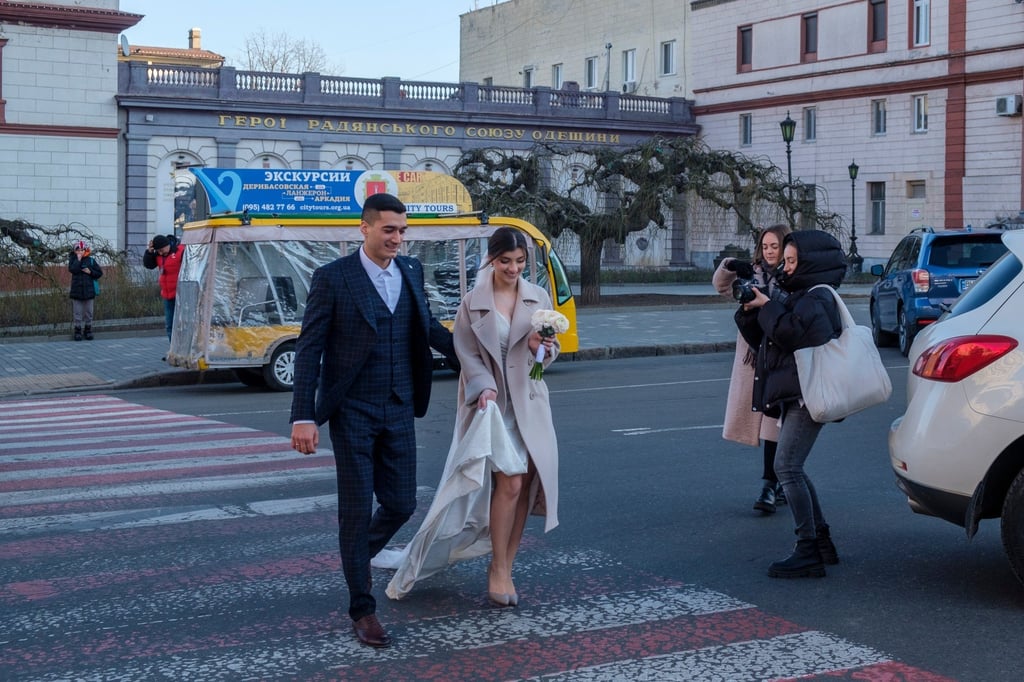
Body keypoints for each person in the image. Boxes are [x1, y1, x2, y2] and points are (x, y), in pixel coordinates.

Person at [288, 192, 458, 649]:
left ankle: (354, 559)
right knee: (356, 508)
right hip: (353, 411)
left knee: (402, 503)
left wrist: (482, 358)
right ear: (364, 229)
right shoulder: (333, 279)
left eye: (403, 231)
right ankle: (362, 608)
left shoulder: (411, 271)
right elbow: (309, 350)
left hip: (400, 404)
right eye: (389, 230)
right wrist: (304, 415)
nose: (398, 239)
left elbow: (428, 329)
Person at [379, 226, 560, 606]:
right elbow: (465, 353)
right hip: (490, 407)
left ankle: (506, 566)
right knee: (508, 483)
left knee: (524, 488)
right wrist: (483, 387)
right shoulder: (472, 301)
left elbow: (548, 353)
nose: (513, 269)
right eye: (506, 261)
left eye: (520, 262)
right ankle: (496, 568)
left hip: (529, 402)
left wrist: (539, 347)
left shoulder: (538, 296)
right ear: (492, 259)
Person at [734, 229, 846, 579]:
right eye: (785, 259)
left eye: (793, 260)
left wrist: (768, 305)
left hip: (807, 393)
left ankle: (807, 550)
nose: (786, 265)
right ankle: (821, 542)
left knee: (787, 467)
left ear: (811, 263)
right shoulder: (799, 294)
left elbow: (791, 334)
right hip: (796, 391)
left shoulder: (818, 297)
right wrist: (752, 311)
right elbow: (769, 338)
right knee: (793, 466)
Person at [712, 224, 790, 514]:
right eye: (765, 246)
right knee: (770, 418)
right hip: (753, 354)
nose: (769, 252)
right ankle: (779, 481)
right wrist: (730, 266)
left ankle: (770, 483)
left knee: (774, 421)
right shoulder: (753, 272)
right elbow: (721, 287)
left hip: (781, 353)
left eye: (775, 246)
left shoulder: (792, 274)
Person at [143, 233, 183, 342]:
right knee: (169, 325)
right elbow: (148, 265)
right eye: (158, 251)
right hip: (167, 294)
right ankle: (173, 350)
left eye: (161, 250)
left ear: (167, 245)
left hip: (181, 294)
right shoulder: (158, 256)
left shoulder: (180, 251)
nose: (160, 253)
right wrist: (149, 252)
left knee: (182, 324)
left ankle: (183, 350)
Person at [68, 240, 102, 341]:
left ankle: (88, 330)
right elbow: (72, 269)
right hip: (76, 291)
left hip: (89, 290)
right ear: (75, 251)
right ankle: (77, 331)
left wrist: (90, 271)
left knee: (89, 312)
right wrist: (78, 260)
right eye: (78, 250)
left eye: (82, 250)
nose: (80, 252)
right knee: (77, 312)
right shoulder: (73, 259)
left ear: (85, 250)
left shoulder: (90, 260)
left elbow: (99, 273)